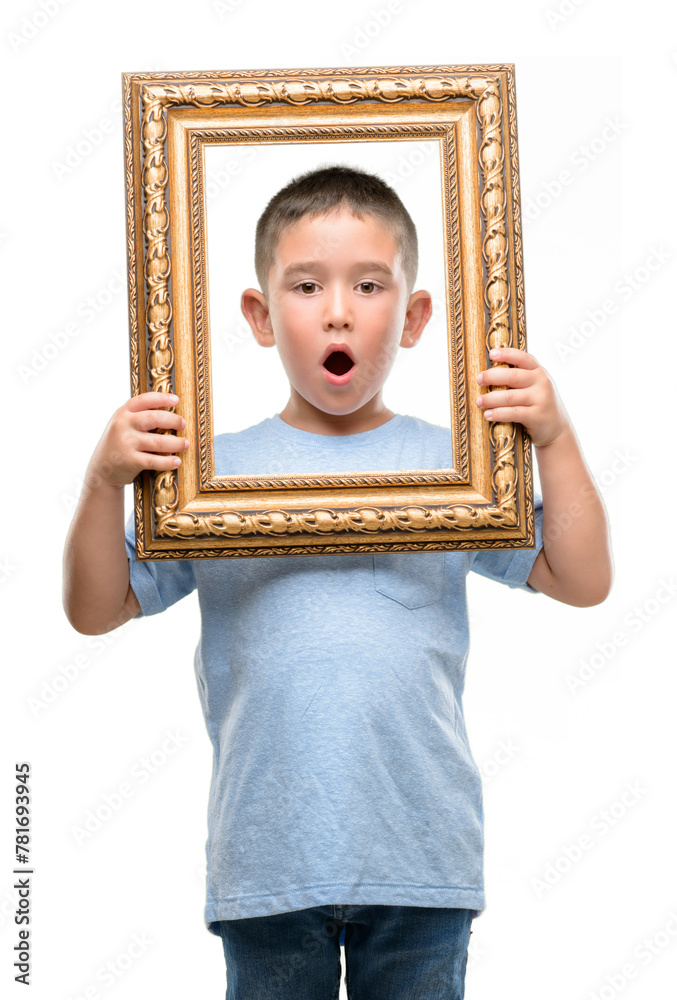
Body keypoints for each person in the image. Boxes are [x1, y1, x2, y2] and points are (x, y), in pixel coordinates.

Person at [63, 165, 613, 999]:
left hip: (419, 858)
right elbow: (95, 610)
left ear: (416, 315)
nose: (338, 310)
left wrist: (556, 437)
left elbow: (581, 579)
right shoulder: (210, 476)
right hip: (268, 860)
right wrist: (103, 482)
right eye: (306, 285)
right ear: (258, 316)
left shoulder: (455, 466)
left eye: (368, 284)